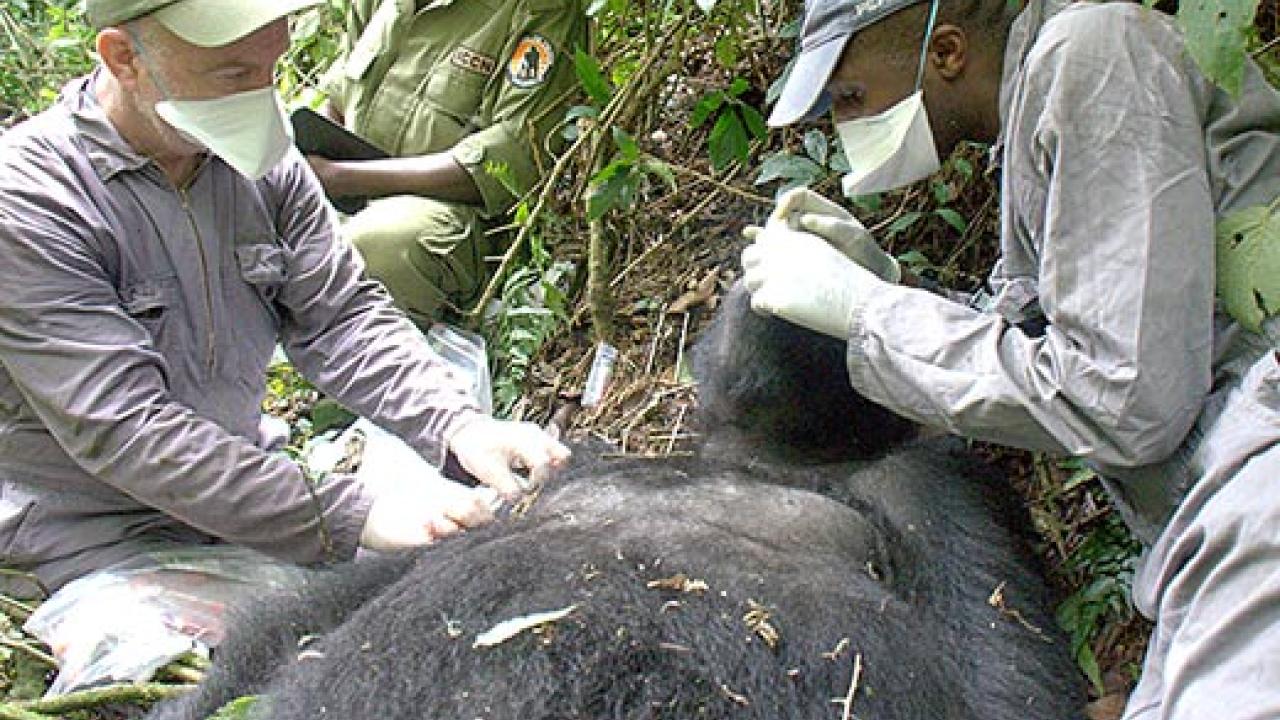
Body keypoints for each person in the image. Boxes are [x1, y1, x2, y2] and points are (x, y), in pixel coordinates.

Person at [742, 0, 1280, 717]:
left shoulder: (1090, 54)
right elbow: (1058, 333)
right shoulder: (1039, 97)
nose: (843, 129)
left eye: (849, 97)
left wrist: (870, 315)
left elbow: (1125, 401)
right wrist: (887, 287)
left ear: (949, 53)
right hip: (1220, 500)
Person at [0, 0, 571, 602]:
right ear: (123, 58)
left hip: (247, 504)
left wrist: (457, 424)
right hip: (87, 536)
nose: (259, 96)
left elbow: (340, 317)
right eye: (232, 75)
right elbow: (125, 427)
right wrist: (352, 514)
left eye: (270, 67)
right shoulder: (33, 202)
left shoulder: (259, 158)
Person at [305, 0, 588, 328]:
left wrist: (344, 179)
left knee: (374, 247)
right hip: (347, 187)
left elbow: (510, 161)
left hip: (455, 216)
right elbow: (339, 96)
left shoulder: (540, 11)